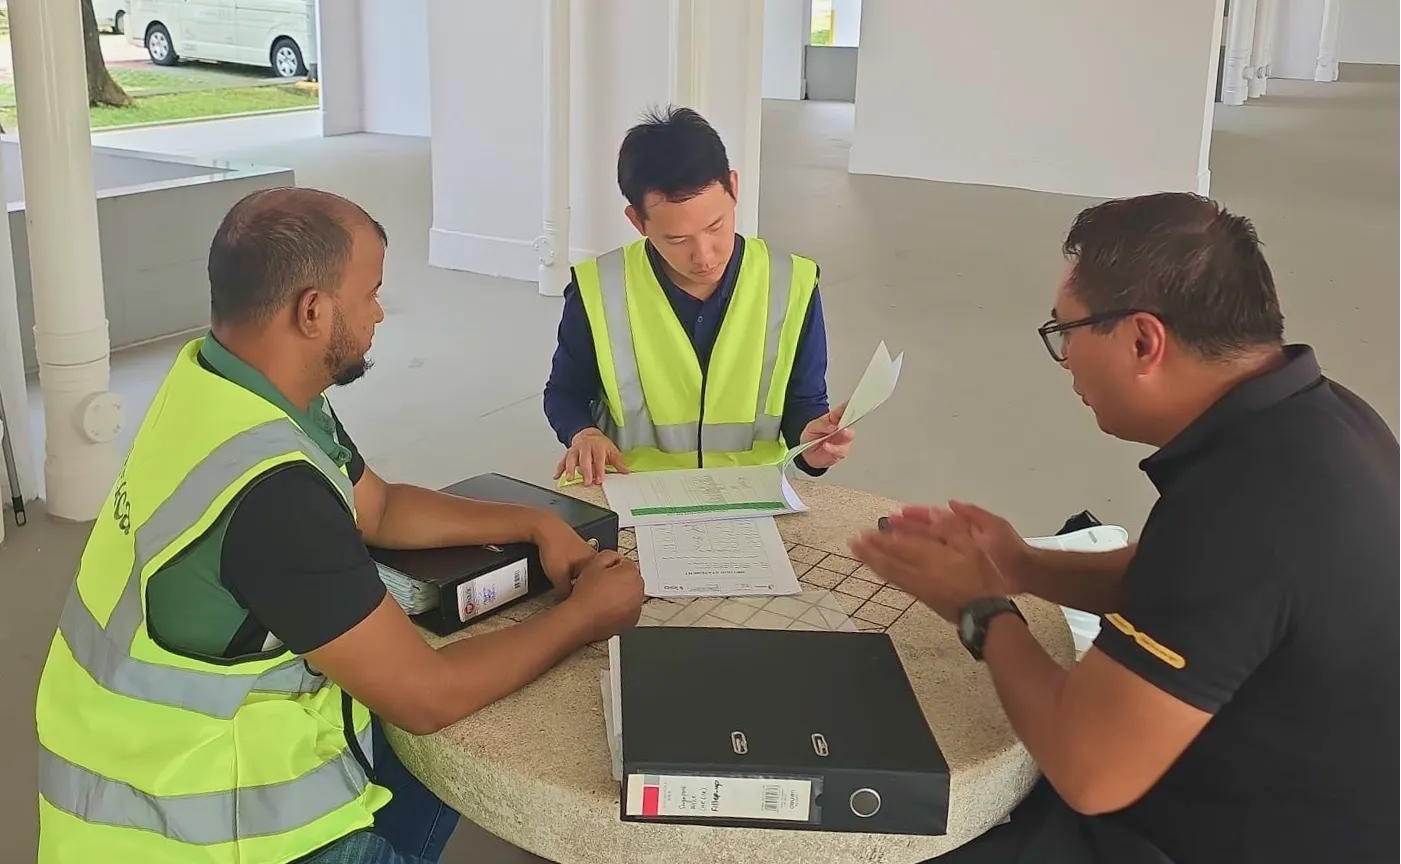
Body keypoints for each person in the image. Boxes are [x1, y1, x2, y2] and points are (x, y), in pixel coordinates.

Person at [34, 188, 646, 864]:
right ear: (314, 311)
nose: (380, 312)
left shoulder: (222, 384)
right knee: (452, 712)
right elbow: (425, 694)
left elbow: (376, 507)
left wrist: (533, 522)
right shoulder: (273, 496)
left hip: (136, 765)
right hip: (198, 833)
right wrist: (585, 615)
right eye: (371, 293)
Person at [851, 192, 1399, 864]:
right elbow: (1179, 583)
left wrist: (978, 610)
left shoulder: (1244, 509)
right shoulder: (1318, 419)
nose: (1067, 362)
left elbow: (1089, 771)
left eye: (1067, 333)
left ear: (1143, 340)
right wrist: (1020, 565)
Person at [544, 105, 854, 485]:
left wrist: (812, 447)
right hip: (635, 493)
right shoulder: (599, 289)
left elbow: (803, 404)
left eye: (716, 226)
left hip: (749, 496)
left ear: (734, 188)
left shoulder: (792, 283)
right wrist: (583, 433)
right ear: (637, 222)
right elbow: (565, 392)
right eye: (676, 239)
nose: (704, 256)